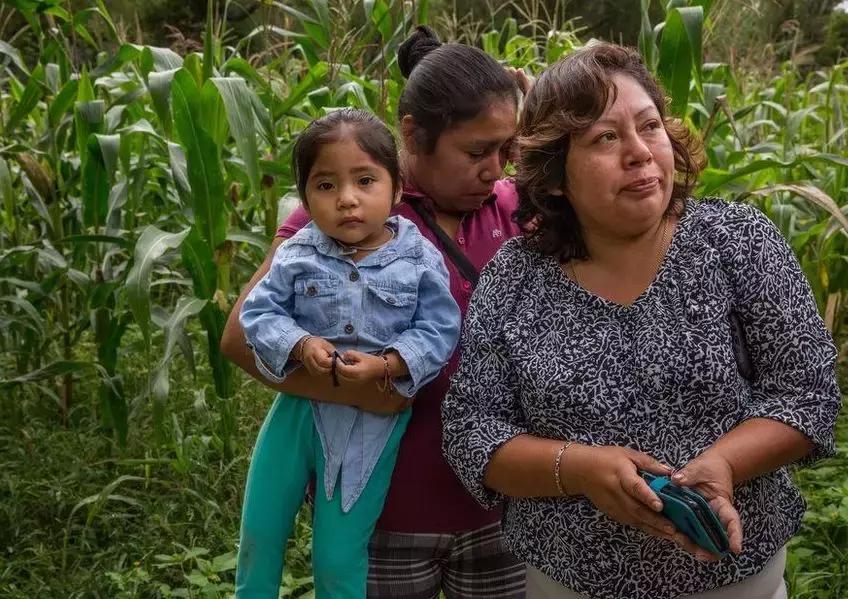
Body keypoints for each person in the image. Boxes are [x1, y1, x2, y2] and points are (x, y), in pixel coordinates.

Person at [442, 42, 842, 599]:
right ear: (554, 175)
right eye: (605, 137)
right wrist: (579, 468)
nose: (639, 152)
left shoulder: (737, 241)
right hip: (568, 582)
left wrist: (723, 462)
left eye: (649, 126)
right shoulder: (515, 277)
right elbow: (472, 431)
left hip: (735, 579)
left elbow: (808, 394)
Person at [221, 26, 528, 598]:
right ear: (414, 135)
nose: (494, 169)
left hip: (497, 511)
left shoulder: (514, 208)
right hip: (385, 514)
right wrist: (367, 387)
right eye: (476, 152)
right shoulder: (342, 219)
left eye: (506, 150)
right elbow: (239, 336)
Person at [237, 107, 461, 597]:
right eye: (325, 186)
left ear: (396, 188)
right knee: (259, 535)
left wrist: (390, 364)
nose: (347, 200)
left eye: (365, 180)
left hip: (371, 428)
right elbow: (257, 314)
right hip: (296, 413)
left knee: (338, 558)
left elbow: (441, 327)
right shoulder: (297, 251)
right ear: (304, 198)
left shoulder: (419, 258)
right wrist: (299, 343)